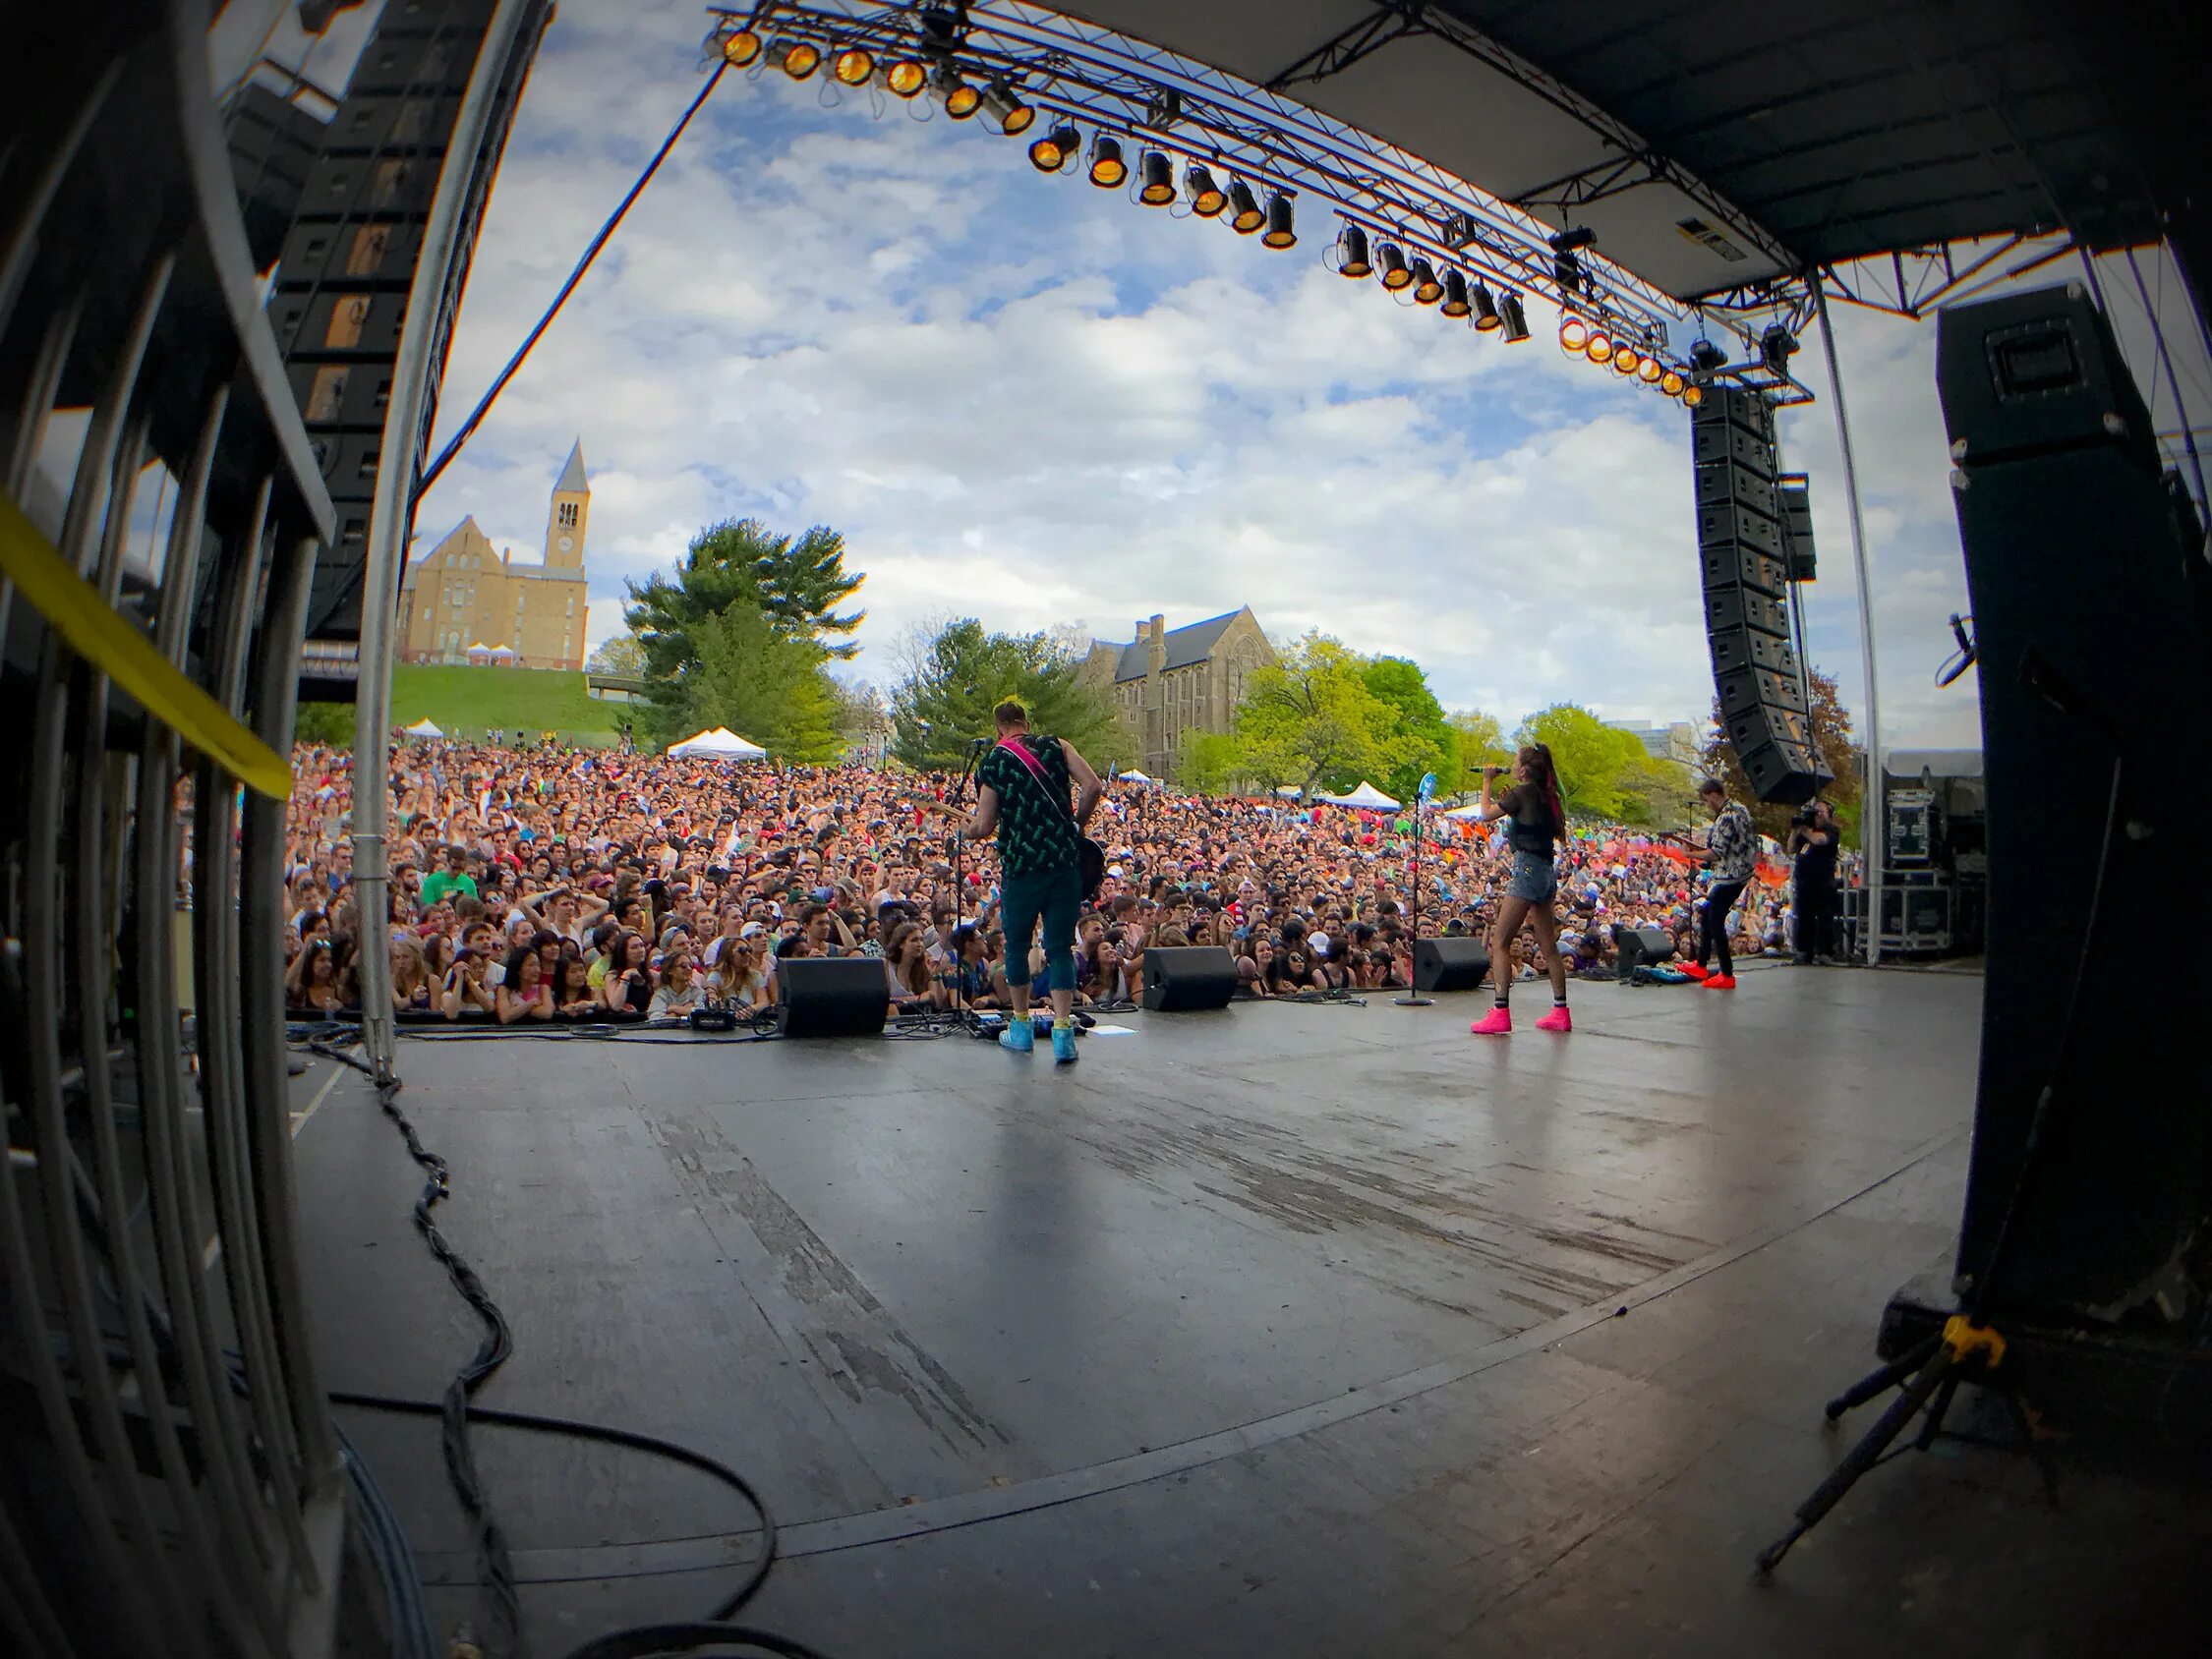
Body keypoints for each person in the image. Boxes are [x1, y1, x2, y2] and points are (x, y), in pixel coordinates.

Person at [932, 699, 1103, 1064]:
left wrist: (967, 828)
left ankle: (1022, 1028)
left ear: (998, 729)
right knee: (1058, 949)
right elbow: (1093, 785)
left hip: (1023, 867)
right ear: (1026, 721)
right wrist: (1077, 823)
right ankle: (1062, 1035)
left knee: (1016, 945)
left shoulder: (993, 761)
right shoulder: (1059, 745)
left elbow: (983, 826)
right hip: (1064, 863)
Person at [1467, 744, 1572, 1035]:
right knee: (1548, 943)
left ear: (1525, 769)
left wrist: (1487, 780)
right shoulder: (1549, 796)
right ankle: (1561, 1011)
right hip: (1546, 870)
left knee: (1500, 941)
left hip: (1526, 868)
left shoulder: (1523, 792)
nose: (1511, 766)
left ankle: (1500, 1012)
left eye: (1515, 762)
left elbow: (1486, 814)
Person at [1681, 777, 1757, 990]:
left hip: (1731, 875)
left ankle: (1726, 973)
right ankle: (1702, 964)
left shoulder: (1726, 817)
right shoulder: (1740, 808)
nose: (1707, 805)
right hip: (1738, 871)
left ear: (1714, 794)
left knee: (1714, 919)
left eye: (1707, 801)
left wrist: (1691, 853)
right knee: (1708, 916)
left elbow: (1717, 852)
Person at [1787, 798, 1839, 963]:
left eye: (1821, 811)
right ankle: (1804, 950)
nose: (1817, 815)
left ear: (1828, 815)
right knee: (1804, 917)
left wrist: (1805, 830)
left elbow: (1820, 840)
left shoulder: (1830, 830)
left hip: (1823, 881)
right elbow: (1790, 849)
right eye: (1815, 811)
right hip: (1804, 880)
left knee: (1824, 917)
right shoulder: (1806, 833)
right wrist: (1795, 831)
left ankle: (1825, 952)